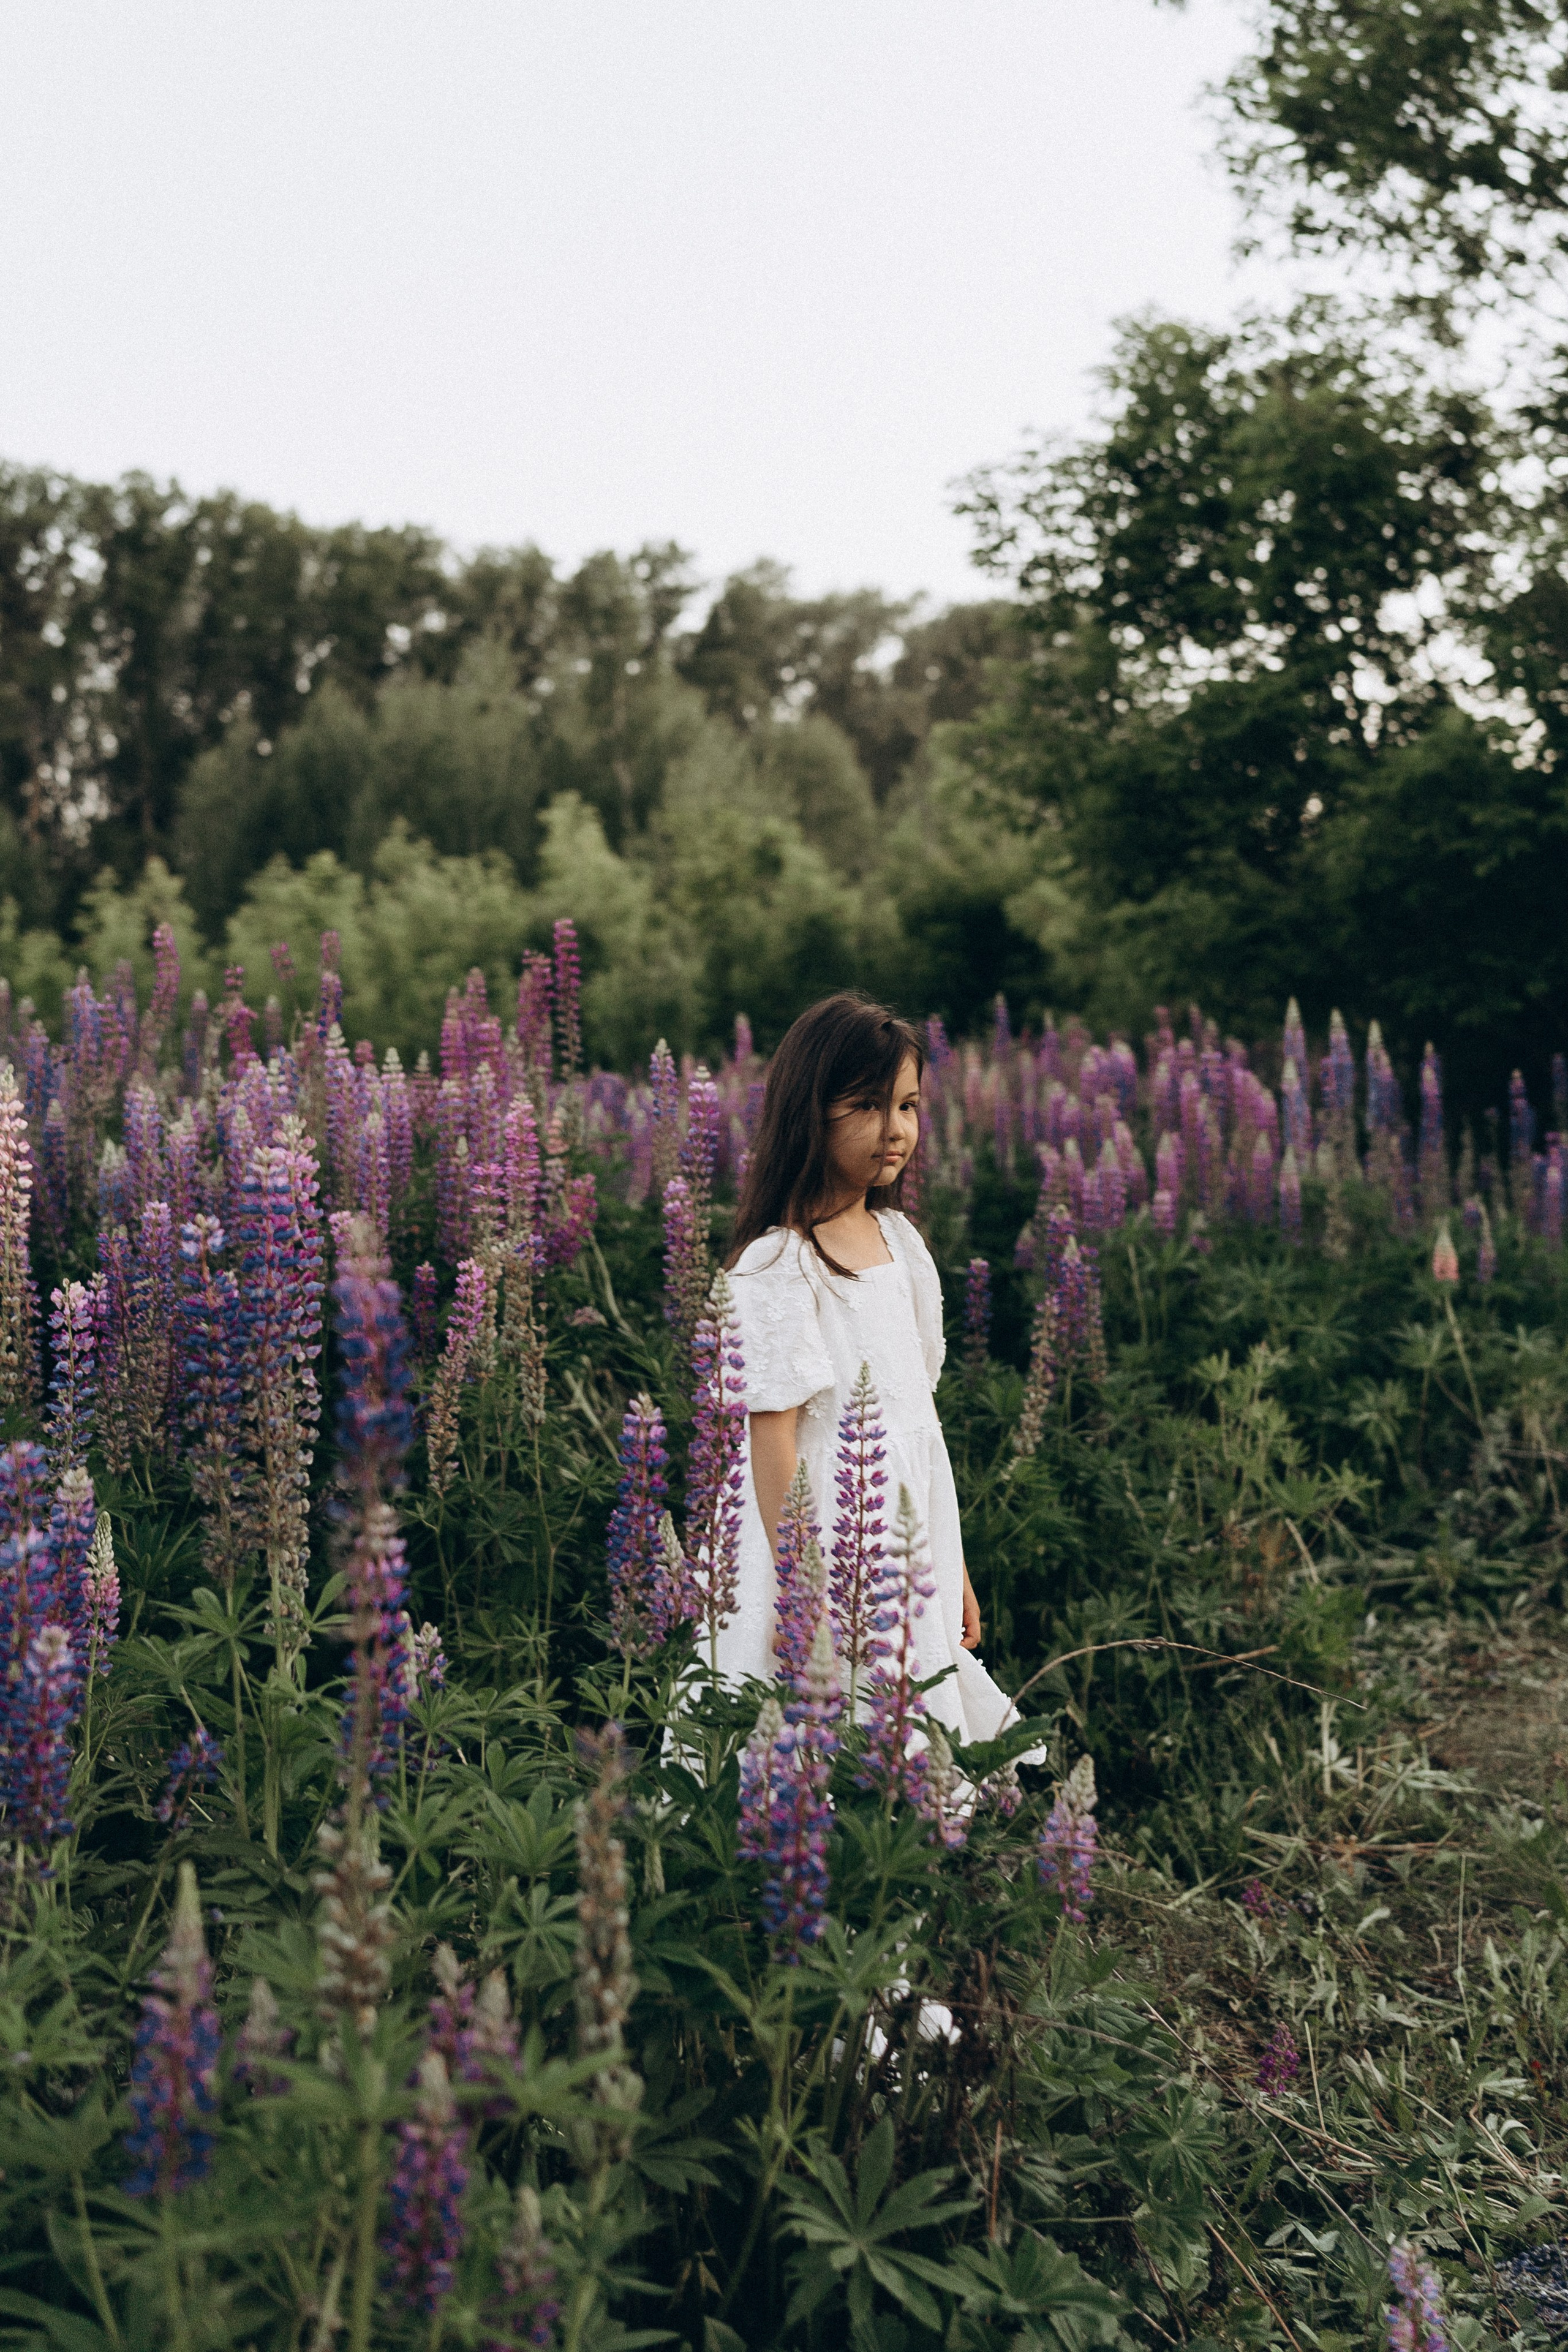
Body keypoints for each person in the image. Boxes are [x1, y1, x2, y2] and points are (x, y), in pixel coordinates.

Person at [720, 990, 1022, 1747]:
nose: (895, 1130)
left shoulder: (900, 1242)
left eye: (908, 1106)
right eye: (867, 1106)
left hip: (904, 1538)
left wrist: (950, 1566)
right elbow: (772, 1437)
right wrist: (802, 1593)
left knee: (911, 1734)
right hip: (822, 1535)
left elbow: (919, 1422)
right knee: (819, 1742)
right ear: (810, 1113)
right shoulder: (778, 1262)